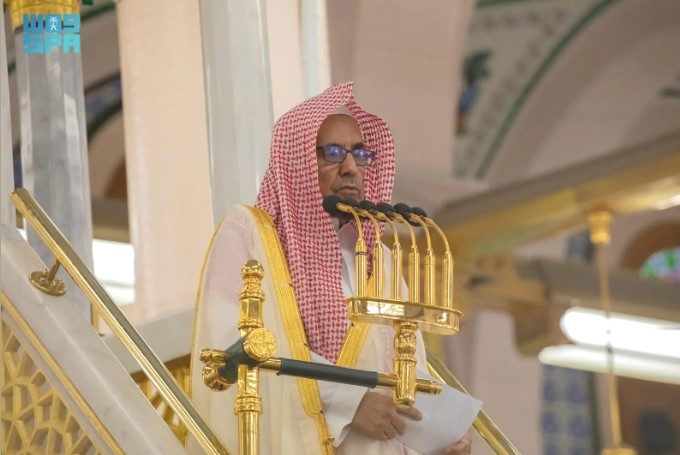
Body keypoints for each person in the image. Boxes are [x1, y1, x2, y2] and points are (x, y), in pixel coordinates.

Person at [189, 82, 472, 455]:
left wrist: (442, 437)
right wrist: (351, 403)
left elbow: (406, 364)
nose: (351, 168)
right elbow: (234, 345)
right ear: (298, 162)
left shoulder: (381, 261)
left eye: (360, 154)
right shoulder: (250, 234)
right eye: (334, 153)